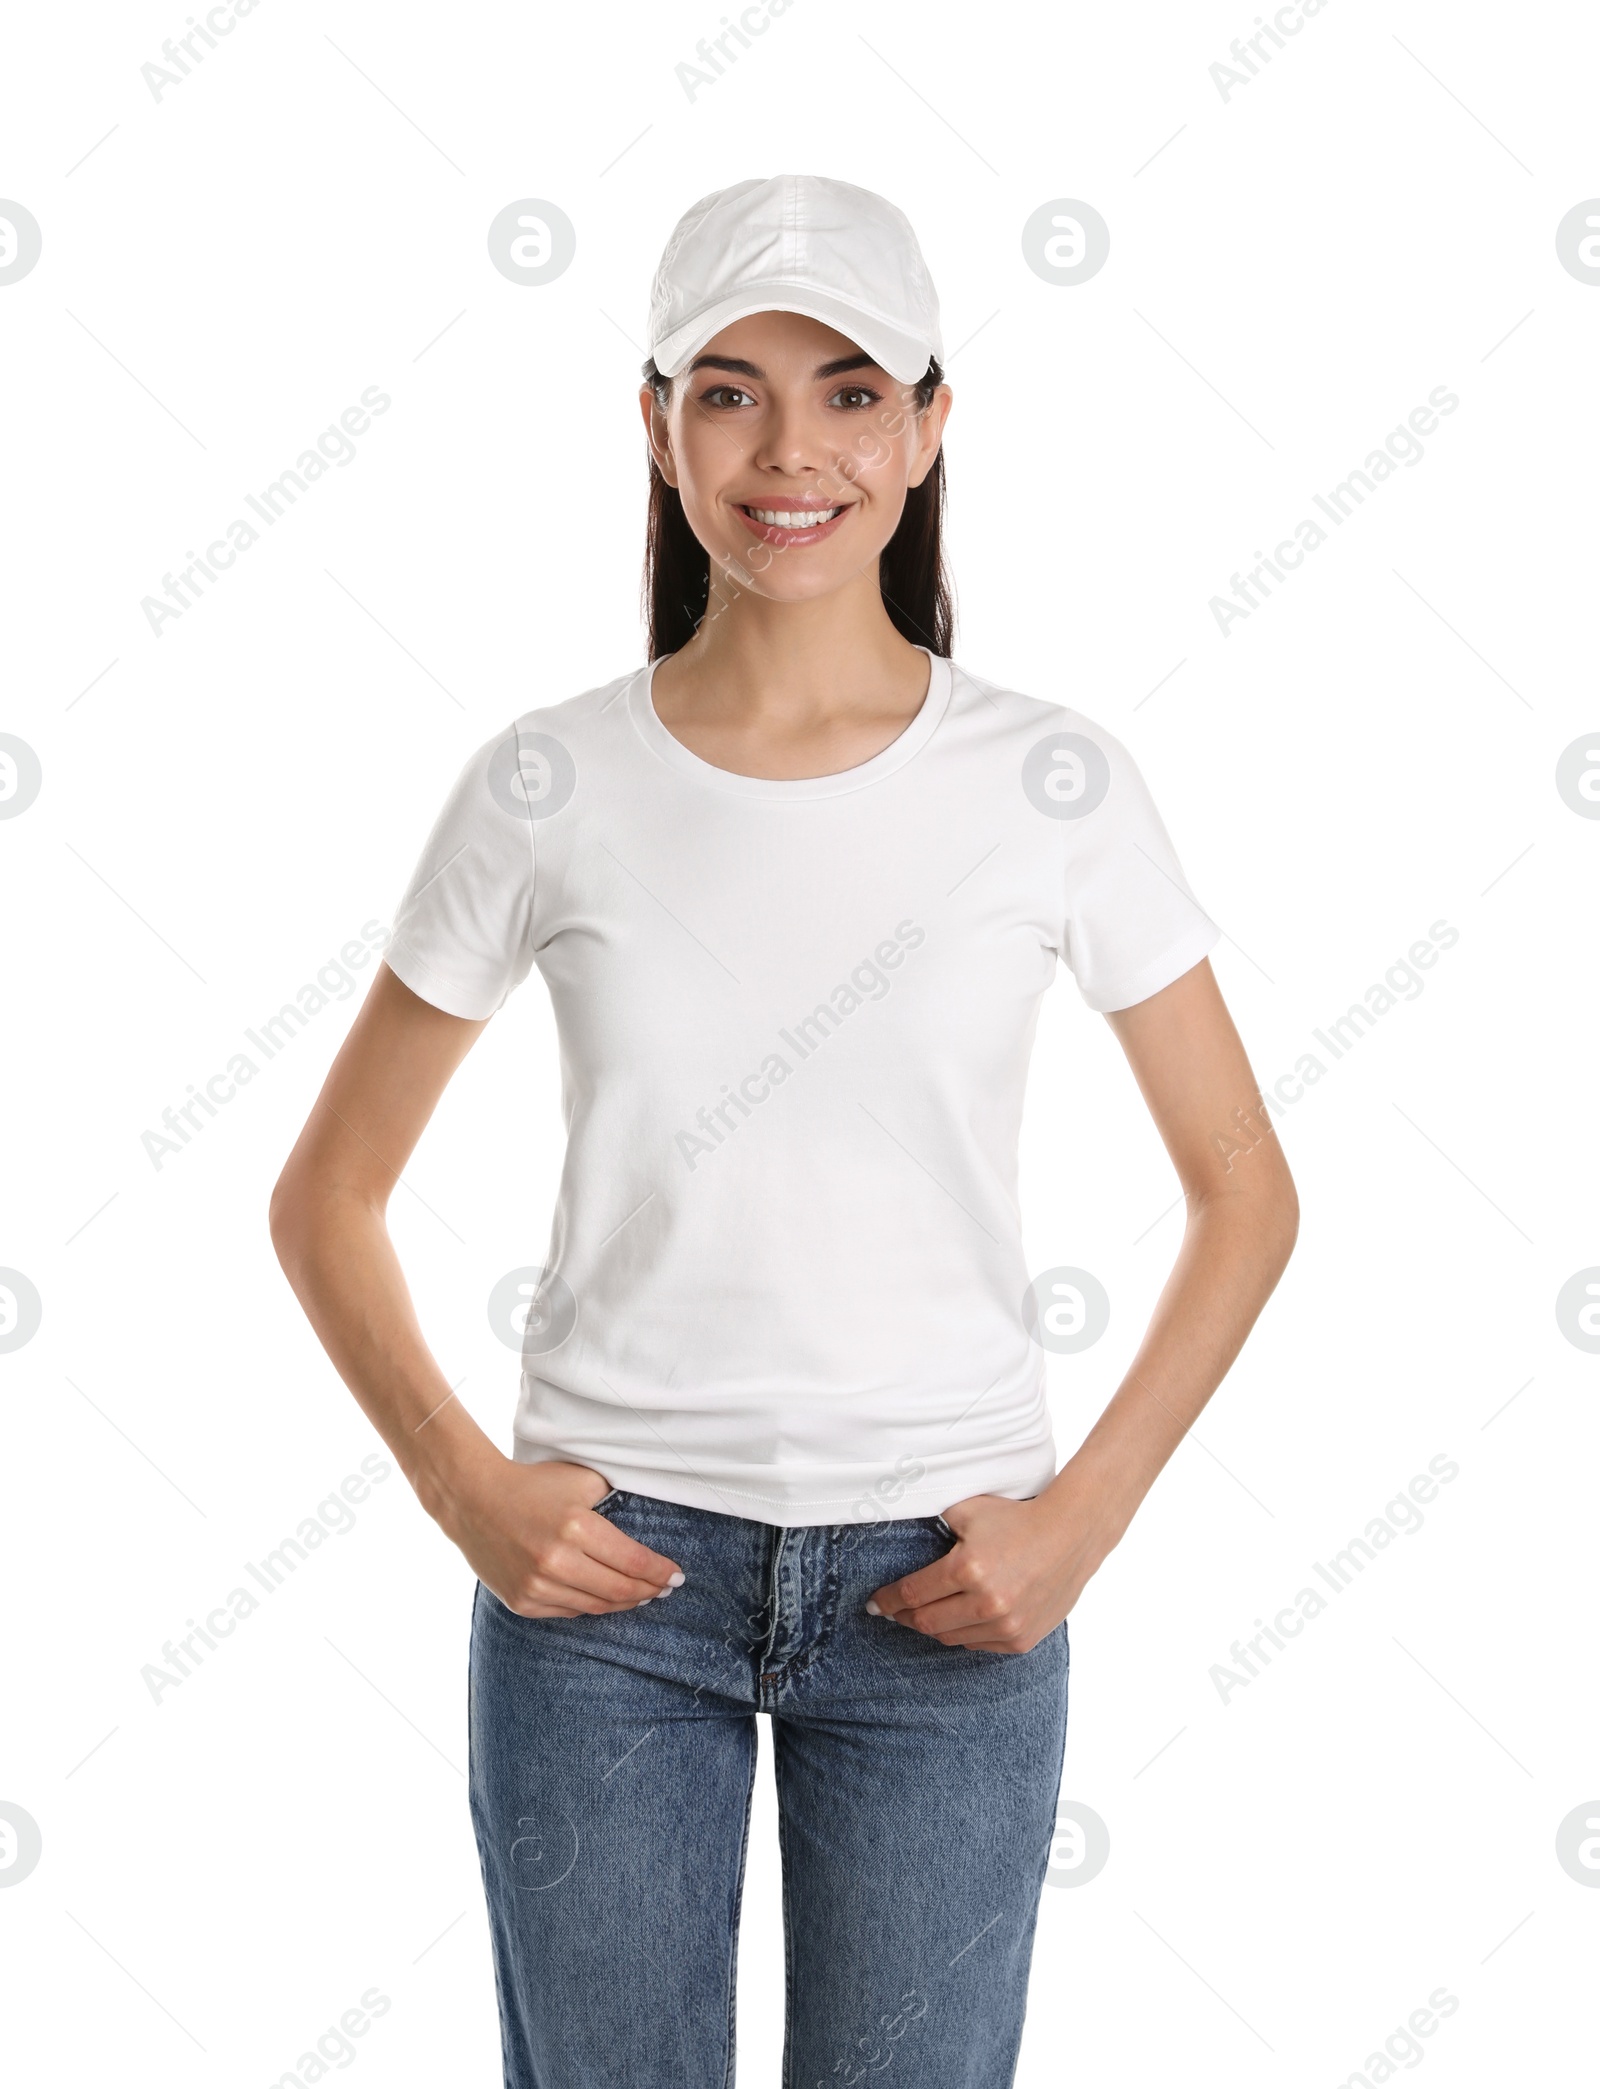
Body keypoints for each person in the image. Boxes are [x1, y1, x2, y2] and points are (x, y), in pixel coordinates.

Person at [269, 173, 1298, 2089]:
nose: (788, 448)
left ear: (927, 427)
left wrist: (1085, 1517)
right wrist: (462, 1490)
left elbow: (1245, 1191)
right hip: (610, 1596)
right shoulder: (547, 780)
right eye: (727, 392)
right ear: (654, 431)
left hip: (950, 1585)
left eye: (844, 390)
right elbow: (328, 1195)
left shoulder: (1053, 782)